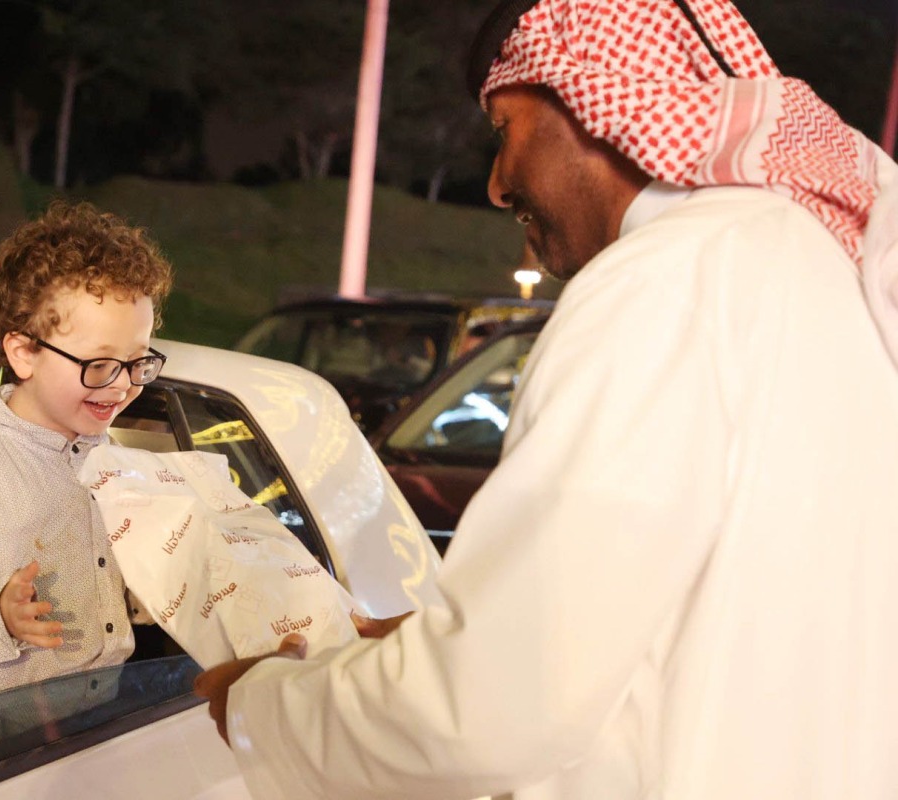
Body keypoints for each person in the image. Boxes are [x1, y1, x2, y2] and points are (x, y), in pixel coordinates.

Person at [193, 1, 898, 798]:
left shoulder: (667, 282)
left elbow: (486, 713)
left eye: (504, 131)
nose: (497, 184)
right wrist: (433, 651)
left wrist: (259, 708)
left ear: (595, 96)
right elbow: (696, 627)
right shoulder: (801, 272)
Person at [0, 200, 173, 702]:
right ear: (23, 353)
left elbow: (118, 586)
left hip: (103, 707)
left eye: (137, 361)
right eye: (101, 363)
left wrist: (152, 589)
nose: (123, 384)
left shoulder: (113, 463)